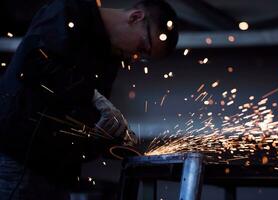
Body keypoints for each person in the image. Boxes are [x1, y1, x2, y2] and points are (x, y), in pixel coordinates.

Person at [0, 0, 178, 199]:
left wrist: (110, 136)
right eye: (142, 48)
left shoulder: (108, 57)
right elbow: (34, 66)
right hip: (16, 161)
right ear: (135, 17)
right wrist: (91, 96)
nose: (136, 57)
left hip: (55, 173)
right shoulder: (69, 11)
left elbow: (79, 117)